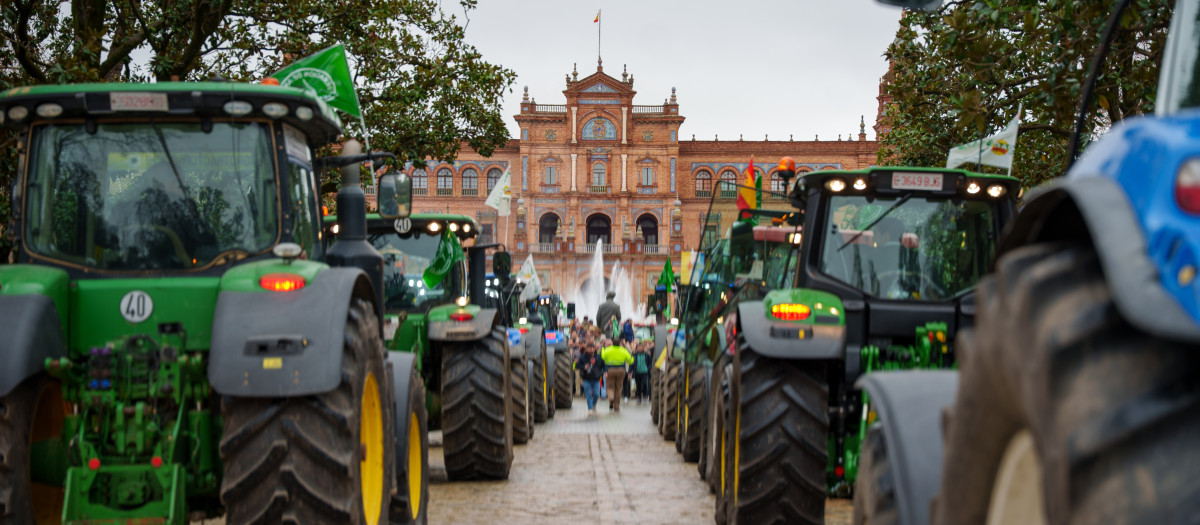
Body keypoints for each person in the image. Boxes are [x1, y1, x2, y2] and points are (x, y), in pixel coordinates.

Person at [600, 337, 633, 413]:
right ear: (620, 344)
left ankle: (611, 398)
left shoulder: (608, 350)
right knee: (619, 388)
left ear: (612, 343)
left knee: (610, 386)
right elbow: (631, 361)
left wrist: (602, 349)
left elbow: (602, 357)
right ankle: (616, 407)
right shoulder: (623, 350)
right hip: (621, 370)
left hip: (610, 370)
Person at [576, 343, 605, 416]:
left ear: (594, 348)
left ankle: (594, 404)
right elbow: (577, 365)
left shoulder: (598, 357)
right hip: (586, 378)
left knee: (596, 394)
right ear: (587, 349)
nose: (591, 350)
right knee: (588, 394)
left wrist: (605, 372)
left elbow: (604, 365)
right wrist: (583, 367)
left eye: (592, 348)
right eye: (589, 348)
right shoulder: (582, 357)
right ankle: (590, 409)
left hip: (596, 378)